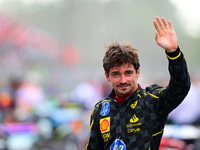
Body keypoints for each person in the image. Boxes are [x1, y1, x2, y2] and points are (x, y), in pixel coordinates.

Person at [85, 16, 191, 150]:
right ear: (107, 76)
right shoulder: (100, 110)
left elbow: (180, 87)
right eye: (116, 74)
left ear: (138, 72)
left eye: (128, 73)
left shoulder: (152, 101)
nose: (123, 80)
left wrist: (173, 52)